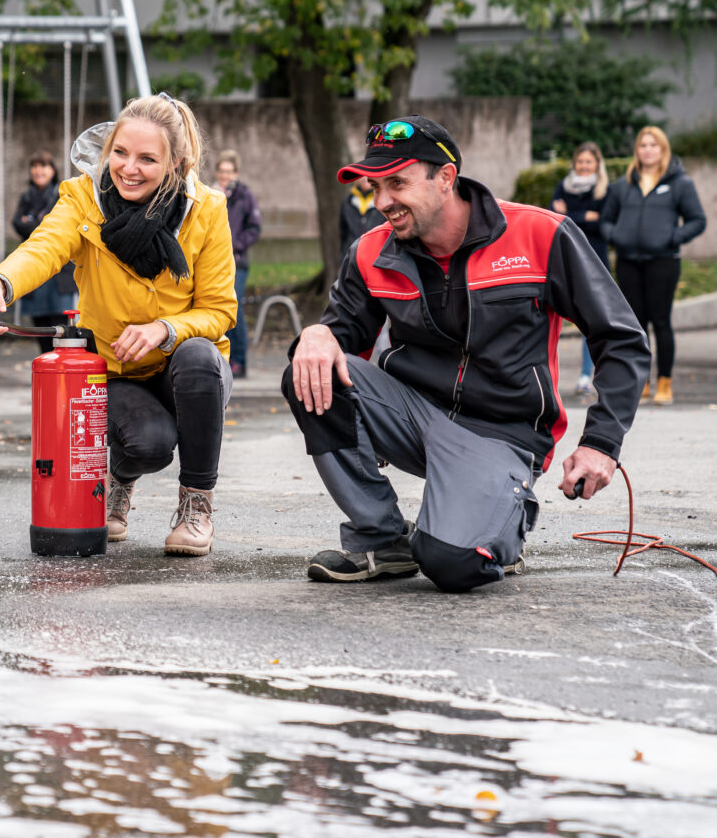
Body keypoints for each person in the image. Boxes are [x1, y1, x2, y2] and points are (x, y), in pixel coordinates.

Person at [283, 115, 649, 593]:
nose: (382, 203)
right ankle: (382, 536)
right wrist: (314, 334)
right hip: (415, 416)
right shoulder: (370, 252)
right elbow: (340, 337)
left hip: (503, 434)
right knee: (310, 371)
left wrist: (602, 442)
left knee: (453, 565)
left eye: (397, 183)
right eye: (375, 187)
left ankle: (499, 525)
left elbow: (620, 337)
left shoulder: (540, 235)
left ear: (446, 177)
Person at [0, 93, 237, 557]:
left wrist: (164, 329)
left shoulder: (208, 209)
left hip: (187, 368)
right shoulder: (83, 198)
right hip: (115, 368)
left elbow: (220, 311)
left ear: (175, 163)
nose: (128, 168)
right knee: (151, 445)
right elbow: (44, 247)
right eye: (120, 152)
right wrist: (2, 284)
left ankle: (196, 507)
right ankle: (118, 481)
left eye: (146, 159)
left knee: (200, 357)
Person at [602, 126, 708, 406]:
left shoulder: (679, 184)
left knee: (660, 321)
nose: (647, 149)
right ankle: (642, 383)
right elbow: (605, 220)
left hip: (663, 262)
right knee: (636, 325)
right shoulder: (623, 185)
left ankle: (664, 382)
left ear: (663, 149)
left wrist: (671, 238)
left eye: (653, 145)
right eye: (642, 145)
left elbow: (698, 220)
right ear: (636, 151)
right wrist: (617, 237)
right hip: (628, 262)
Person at [550, 143, 611, 398]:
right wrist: (587, 215)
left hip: (596, 260)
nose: (584, 166)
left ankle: (588, 374)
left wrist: (572, 215)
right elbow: (555, 220)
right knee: (556, 319)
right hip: (566, 260)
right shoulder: (563, 187)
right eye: (580, 162)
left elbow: (605, 223)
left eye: (589, 162)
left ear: (597, 164)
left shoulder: (606, 191)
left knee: (592, 320)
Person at [11, 149, 77, 351]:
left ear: (52, 170)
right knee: (40, 328)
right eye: (35, 166)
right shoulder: (26, 197)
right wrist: (39, 223)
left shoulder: (62, 194)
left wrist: (32, 223)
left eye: (44, 165)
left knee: (62, 329)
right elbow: (16, 223)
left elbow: (55, 228)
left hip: (59, 277)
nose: (38, 170)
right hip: (35, 272)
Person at [214, 150, 261, 377]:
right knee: (217, 308)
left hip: (237, 261)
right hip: (214, 262)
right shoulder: (210, 194)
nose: (225, 175)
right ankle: (222, 358)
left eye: (229, 171)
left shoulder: (244, 195)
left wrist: (234, 244)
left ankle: (239, 361)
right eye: (222, 171)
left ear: (236, 173)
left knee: (235, 308)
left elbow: (254, 228)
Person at [339, 175, 384, 254]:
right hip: (352, 253)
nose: (364, 178)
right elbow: (343, 233)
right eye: (361, 175)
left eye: (368, 175)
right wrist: (342, 259)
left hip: (377, 253)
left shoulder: (383, 200)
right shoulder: (348, 201)